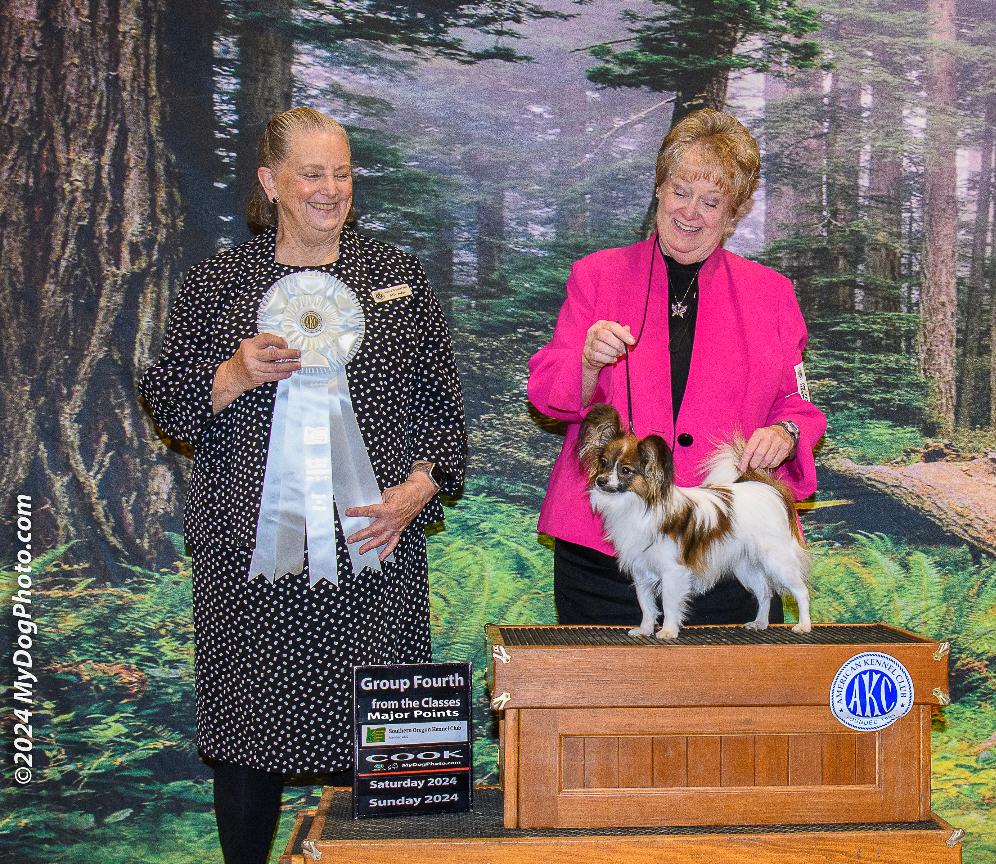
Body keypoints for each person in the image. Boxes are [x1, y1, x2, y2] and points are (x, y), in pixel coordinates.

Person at [139, 107, 466, 864]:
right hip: (252, 560)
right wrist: (232, 373)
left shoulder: (398, 278)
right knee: (248, 740)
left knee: (385, 744)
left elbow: (443, 414)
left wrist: (418, 489)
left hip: (374, 551)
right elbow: (168, 398)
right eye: (311, 173)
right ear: (270, 182)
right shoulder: (219, 283)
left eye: (341, 173)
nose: (330, 189)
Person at [528, 108, 825, 628]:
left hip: (721, 547)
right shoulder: (596, 276)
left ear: (734, 214)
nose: (690, 212)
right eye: (680, 192)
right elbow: (547, 391)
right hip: (605, 552)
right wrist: (587, 361)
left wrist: (786, 432)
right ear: (659, 189)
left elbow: (798, 406)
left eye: (711, 202)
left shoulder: (772, 296)